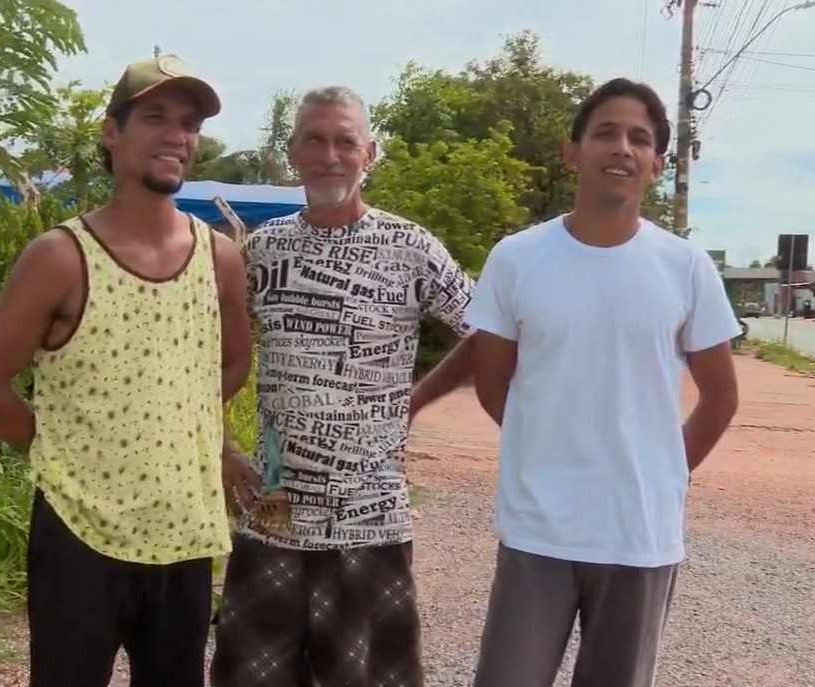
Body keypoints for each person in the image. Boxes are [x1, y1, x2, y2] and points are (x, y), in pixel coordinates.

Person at [0, 54, 259, 687]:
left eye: (189, 122)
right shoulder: (61, 257)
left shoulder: (219, 258)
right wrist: (66, 448)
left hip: (184, 533)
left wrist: (200, 437)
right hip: (79, 535)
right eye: (155, 117)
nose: (176, 135)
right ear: (111, 133)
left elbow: (229, 364)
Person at [466, 77, 741, 687]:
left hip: (638, 533)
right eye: (606, 133)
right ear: (573, 152)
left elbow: (721, 397)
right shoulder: (517, 257)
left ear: (656, 164)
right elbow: (493, 386)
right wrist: (548, 448)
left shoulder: (685, 266)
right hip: (538, 527)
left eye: (639, 139)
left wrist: (666, 469)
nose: (622, 148)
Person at [210, 85, 476, 687]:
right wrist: (222, 448)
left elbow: (488, 330)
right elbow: (211, 356)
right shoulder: (263, 250)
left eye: (345, 141)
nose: (330, 155)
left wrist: (420, 397)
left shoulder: (411, 248)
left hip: (371, 517)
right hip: (272, 514)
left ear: (370, 153)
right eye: (315, 139)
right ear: (293, 152)